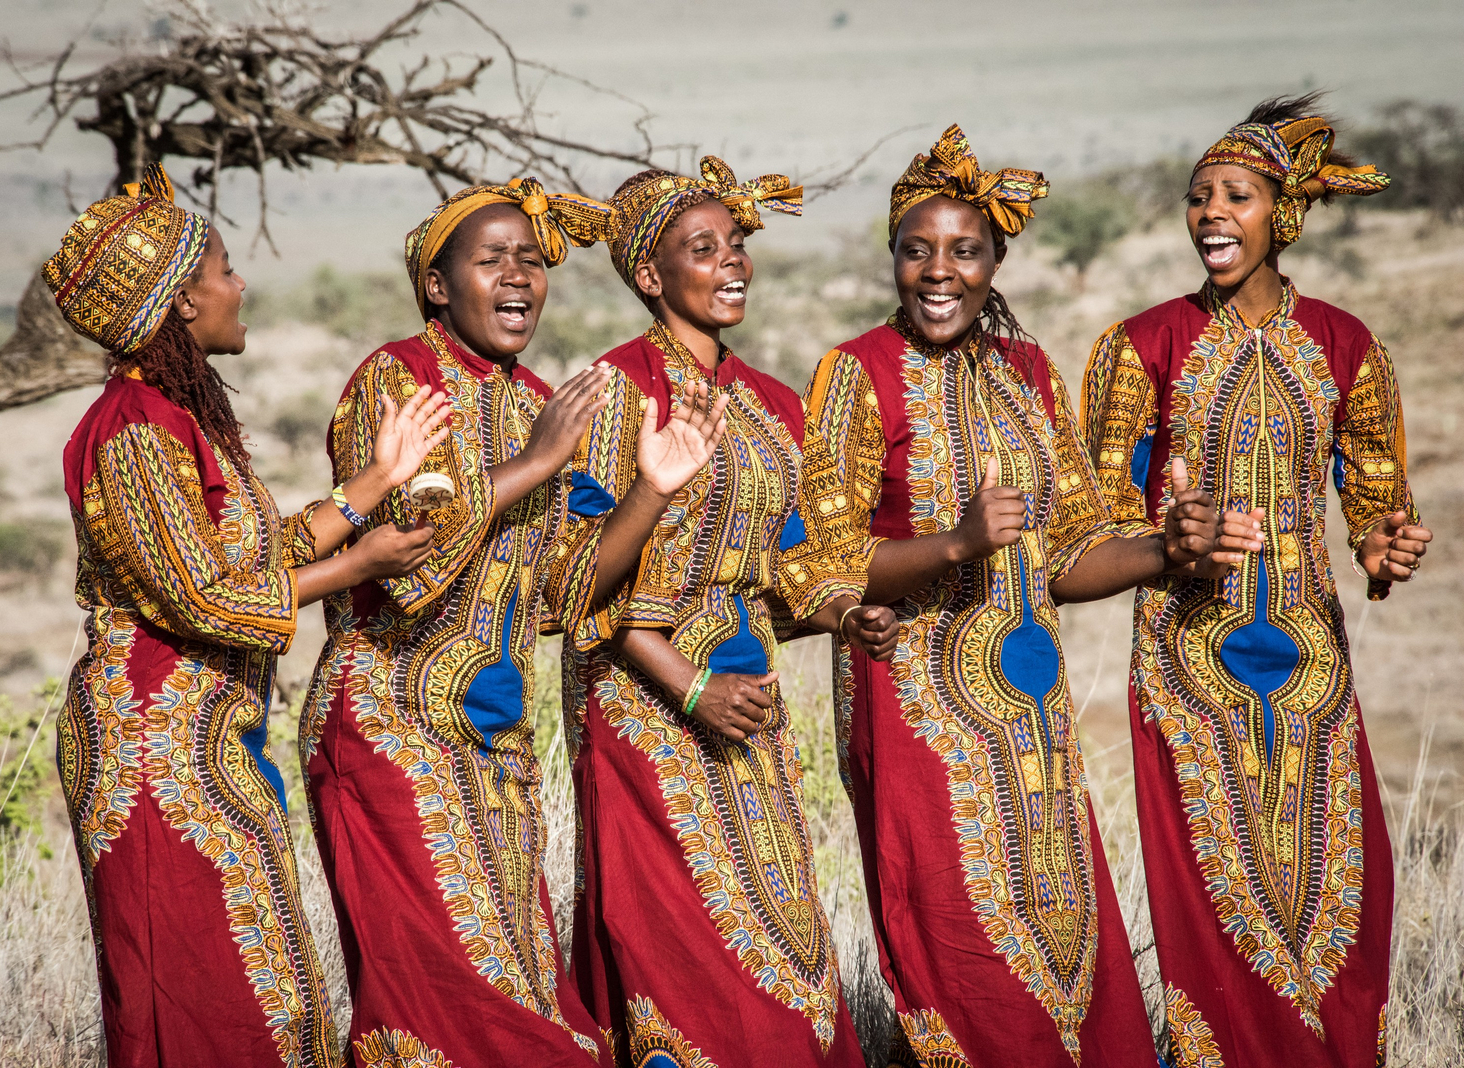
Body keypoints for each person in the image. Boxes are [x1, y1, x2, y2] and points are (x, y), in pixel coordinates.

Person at [804, 126, 1246, 1068]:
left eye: (963, 251)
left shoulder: (1030, 374)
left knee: (1062, 940)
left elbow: (1073, 553)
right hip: (917, 711)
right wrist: (955, 542)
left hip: (1032, 724)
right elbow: (829, 564)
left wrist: (1168, 550)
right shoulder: (855, 373)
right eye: (915, 249)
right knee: (960, 947)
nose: (938, 271)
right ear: (891, 258)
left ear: (995, 260)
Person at [299, 178, 728, 1067]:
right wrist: (535, 463)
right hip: (392, 729)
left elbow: (574, 592)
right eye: (490, 260)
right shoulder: (398, 379)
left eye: (531, 261)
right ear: (437, 286)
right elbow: (405, 560)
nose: (517, 278)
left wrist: (651, 490)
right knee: (458, 1010)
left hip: (496, 749)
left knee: (523, 986)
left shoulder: (541, 398)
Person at [53, 163, 448, 1067]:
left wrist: (374, 485)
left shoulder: (172, 420)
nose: (241, 286)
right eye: (225, 270)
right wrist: (362, 562)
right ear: (181, 303)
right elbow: (199, 597)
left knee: (263, 989)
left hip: (205, 744)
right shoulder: (131, 430)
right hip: (152, 752)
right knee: (206, 998)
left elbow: (249, 550)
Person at [1079, 94, 1431, 1068]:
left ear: (1282, 213)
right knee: (1216, 921)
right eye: (1196, 198)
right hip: (1189, 675)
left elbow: (1375, 505)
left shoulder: (1346, 345)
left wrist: (1380, 551)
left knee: (1343, 910)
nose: (1208, 214)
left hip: (1311, 676)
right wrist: (1166, 536)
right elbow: (1090, 530)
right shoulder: (1136, 349)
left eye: (1233, 195)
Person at [544, 156, 900, 1068]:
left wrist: (842, 615)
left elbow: (790, 565)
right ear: (651, 277)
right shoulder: (611, 391)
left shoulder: (775, 404)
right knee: (689, 958)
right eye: (703, 249)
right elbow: (576, 584)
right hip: (644, 718)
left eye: (737, 244)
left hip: (752, 716)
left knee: (787, 950)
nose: (732, 262)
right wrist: (687, 682)